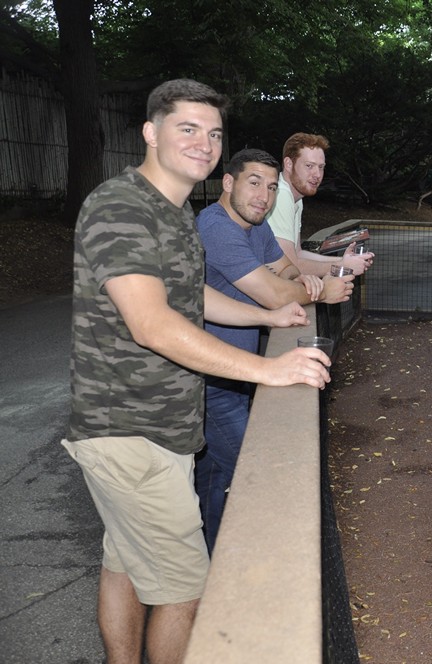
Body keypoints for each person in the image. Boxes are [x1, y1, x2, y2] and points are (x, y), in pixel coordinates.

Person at [61, 79, 333, 664]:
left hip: (161, 429)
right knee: (185, 590)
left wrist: (267, 314)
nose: (203, 143)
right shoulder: (122, 206)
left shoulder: (175, 212)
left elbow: (192, 299)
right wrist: (268, 370)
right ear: (150, 132)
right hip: (130, 430)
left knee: (125, 563)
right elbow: (152, 324)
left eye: (212, 133)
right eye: (187, 129)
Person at [195, 147, 355, 553]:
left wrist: (302, 281)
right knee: (265, 478)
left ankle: (213, 562)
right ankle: (270, 566)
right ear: (227, 183)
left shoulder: (256, 223)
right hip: (212, 382)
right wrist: (321, 291)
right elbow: (272, 294)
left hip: (238, 375)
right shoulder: (216, 227)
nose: (263, 197)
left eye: (270, 188)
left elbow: (285, 269)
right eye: (254, 184)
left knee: (214, 478)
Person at [266, 132, 374, 277]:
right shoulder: (280, 195)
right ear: (289, 164)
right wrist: (342, 266)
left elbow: (298, 253)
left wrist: (345, 260)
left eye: (321, 167)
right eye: (309, 166)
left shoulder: (295, 198)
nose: (317, 174)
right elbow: (290, 266)